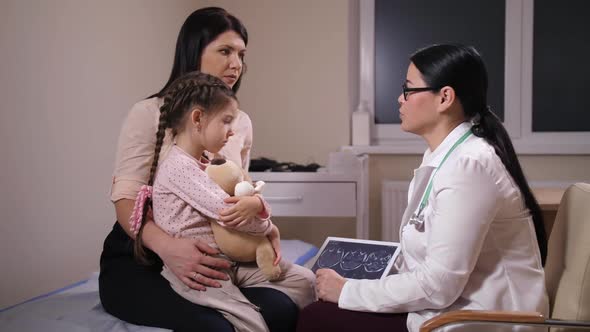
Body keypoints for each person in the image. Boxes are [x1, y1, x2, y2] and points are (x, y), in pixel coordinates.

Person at [296, 44, 549, 332]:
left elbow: (440, 285)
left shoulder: (469, 166)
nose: (399, 99)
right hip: (453, 305)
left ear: (444, 97)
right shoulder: (446, 156)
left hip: (484, 318)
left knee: (317, 317)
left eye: (408, 89)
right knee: (322, 308)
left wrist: (348, 290)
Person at [99, 7, 314, 332]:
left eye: (241, 54)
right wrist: (169, 248)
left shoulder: (239, 122)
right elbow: (126, 201)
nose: (236, 64)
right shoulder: (148, 113)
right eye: (225, 51)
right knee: (215, 327)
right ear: (193, 52)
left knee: (281, 309)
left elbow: (234, 192)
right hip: (144, 256)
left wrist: (256, 218)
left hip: (214, 253)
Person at [127, 71, 314, 332]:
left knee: (305, 281)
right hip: (203, 271)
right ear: (198, 119)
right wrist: (264, 218)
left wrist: (257, 210)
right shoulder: (179, 168)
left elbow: (239, 206)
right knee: (251, 320)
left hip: (230, 261)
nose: (232, 131)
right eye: (226, 121)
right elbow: (237, 218)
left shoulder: (205, 163)